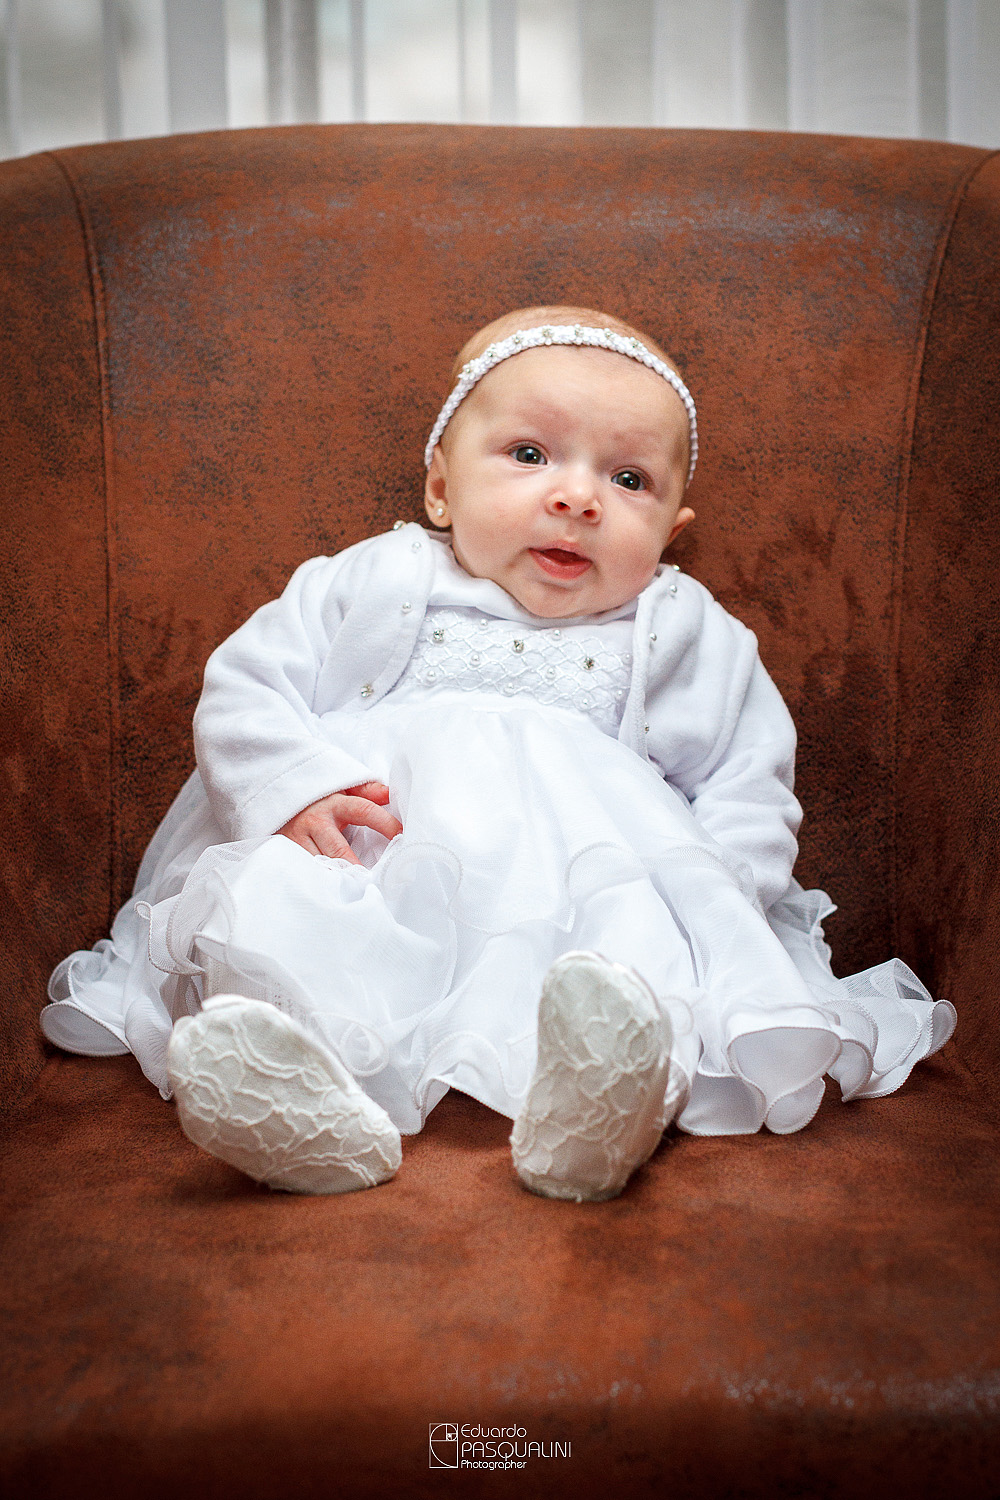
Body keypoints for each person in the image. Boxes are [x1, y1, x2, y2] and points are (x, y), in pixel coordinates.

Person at [41, 305, 956, 1204]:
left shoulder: (683, 630)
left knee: (631, 956)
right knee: (297, 916)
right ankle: (308, 1102)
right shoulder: (375, 577)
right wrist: (291, 790)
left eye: (630, 479)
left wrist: (717, 900)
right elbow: (246, 686)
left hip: (574, 898)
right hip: (380, 857)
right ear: (440, 486)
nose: (577, 496)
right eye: (529, 455)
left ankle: (602, 1109)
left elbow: (746, 780)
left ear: (675, 529)